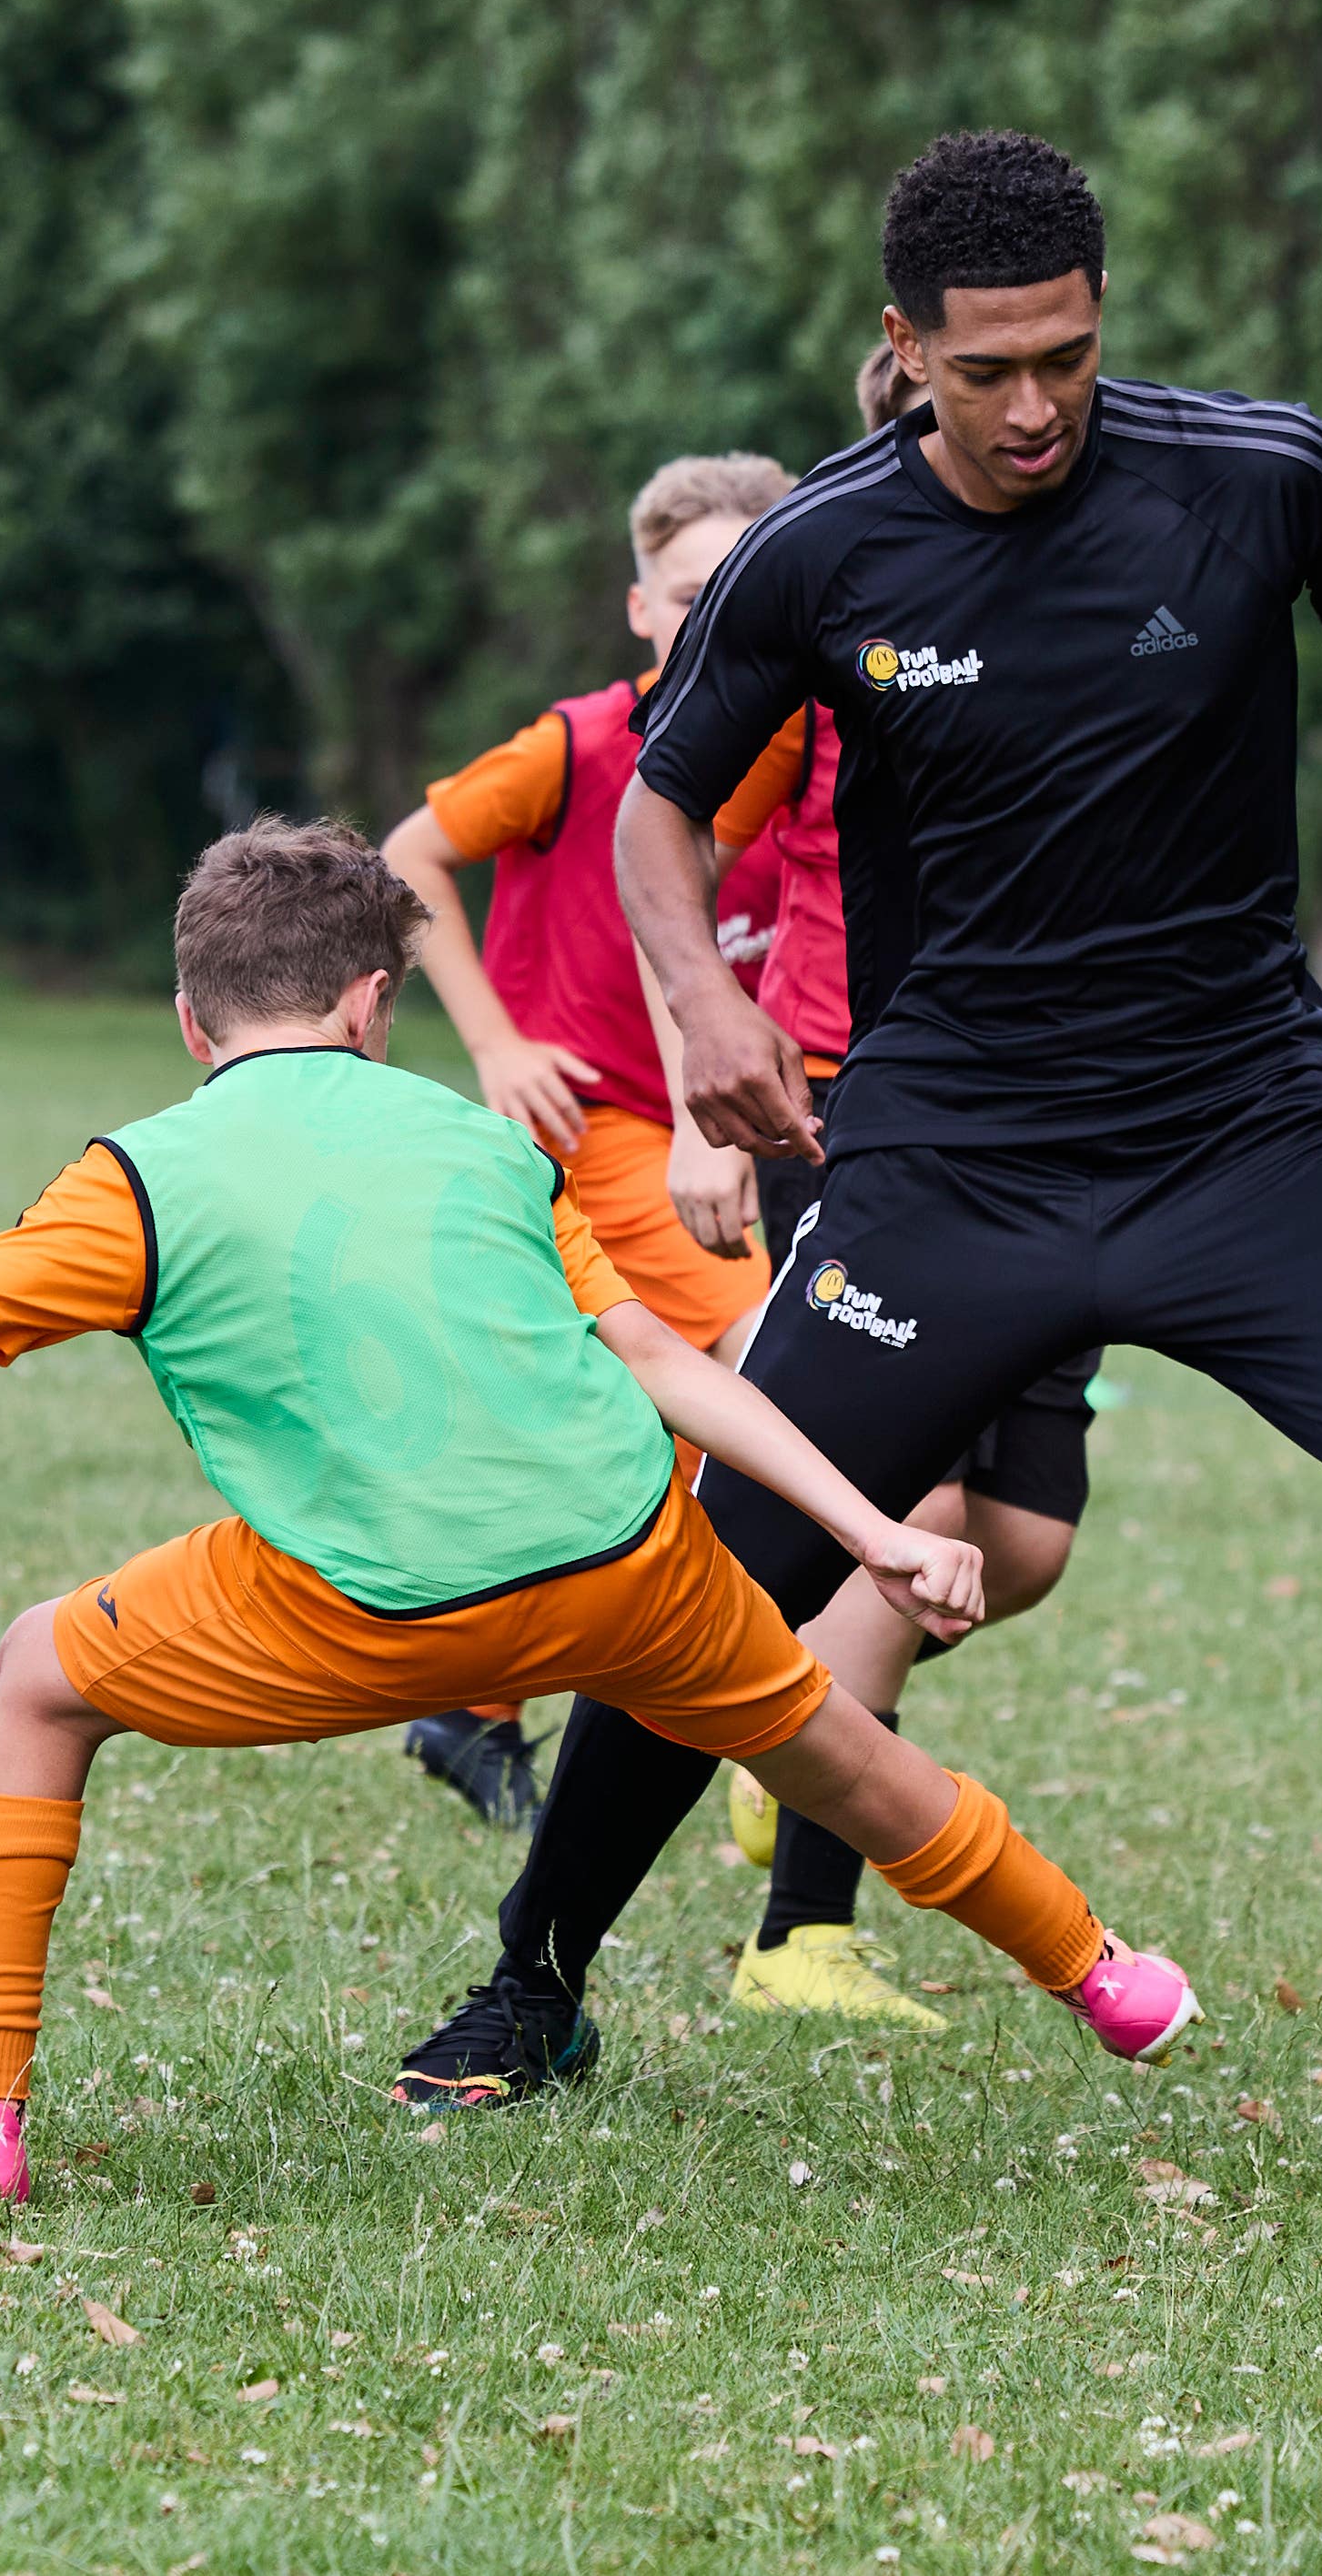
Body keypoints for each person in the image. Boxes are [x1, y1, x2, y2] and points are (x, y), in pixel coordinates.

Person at [394, 130, 1322, 2169]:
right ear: (900, 348)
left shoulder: (1257, 476)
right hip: (949, 1161)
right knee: (722, 1568)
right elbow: (657, 805)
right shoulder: (819, 551)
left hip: (1243, 1136)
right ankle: (533, 1977)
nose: (1026, 407)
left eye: (1062, 357)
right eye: (980, 367)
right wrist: (699, 1006)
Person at [0, 820, 1199, 2199]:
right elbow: (665, 1367)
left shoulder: (138, 1174)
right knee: (844, 1750)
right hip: (630, 1571)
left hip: (357, 1611)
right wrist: (875, 1526)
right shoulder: (489, 1145)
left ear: (189, 1022)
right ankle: (1109, 1978)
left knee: (35, 1674)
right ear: (379, 1004)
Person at [646, 339, 1100, 2032]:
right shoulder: (827, 655)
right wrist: (703, 1093)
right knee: (895, 1519)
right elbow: (670, 845)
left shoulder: (1071, 634)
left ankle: (803, 1710)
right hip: (846, 1108)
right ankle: (801, 1927)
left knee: (1026, 1543)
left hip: (1049, 1124)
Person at [372, 456, 796, 1828]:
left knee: (615, 1434)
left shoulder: (799, 750)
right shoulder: (577, 743)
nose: (709, 614)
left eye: (737, 586)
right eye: (686, 593)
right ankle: (748, 1703)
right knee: (759, 1365)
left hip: (732, 1120)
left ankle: (478, 1698)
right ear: (636, 606)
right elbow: (402, 861)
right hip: (606, 1131)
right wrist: (496, 1041)